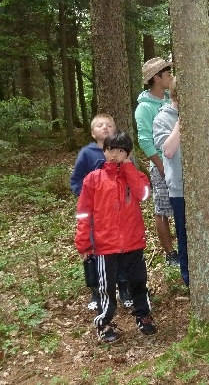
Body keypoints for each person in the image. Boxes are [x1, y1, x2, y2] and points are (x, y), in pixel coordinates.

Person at [75, 131, 156, 343]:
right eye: (110, 150)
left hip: (133, 242)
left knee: (138, 282)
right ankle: (104, 322)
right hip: (105, 245)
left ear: (127, 154)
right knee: (106, 287)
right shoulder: (93, 179)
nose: (114, 155)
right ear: (104, 151)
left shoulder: (135, 176)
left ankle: (143, 316)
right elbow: (84, 213)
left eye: (120, 151)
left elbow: (143, 195)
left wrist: (128, 167)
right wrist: (84, 244)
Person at [70, 114, 132, 311]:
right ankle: (97, 292)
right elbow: (76, 181)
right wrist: (89, 199)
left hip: (120, 217)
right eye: (100, 125)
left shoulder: (123, 152)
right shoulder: (87, 153)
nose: (105, 128)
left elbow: (132, 181)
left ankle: (124, 289)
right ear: (92, 132)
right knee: (94, 253)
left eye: (109, 125)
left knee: (121, 251)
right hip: (96, 217)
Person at [136, 57, 179, 267]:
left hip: (178, 163)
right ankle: (170, 253)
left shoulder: (171, 99)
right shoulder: (144, 108)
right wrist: (161, 166)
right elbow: (145, 141)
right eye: (167, 74)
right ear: (156, 78)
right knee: (162, 209)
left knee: (180, 204)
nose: (171, 77)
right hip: (161, 165)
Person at [153, 78, 189, 286]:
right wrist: (181, 121)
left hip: (202, 188)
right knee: (184, 235)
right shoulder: (162, 119)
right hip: (179, 188)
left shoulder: (199, 113)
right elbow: (168, 150)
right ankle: (189, 279)